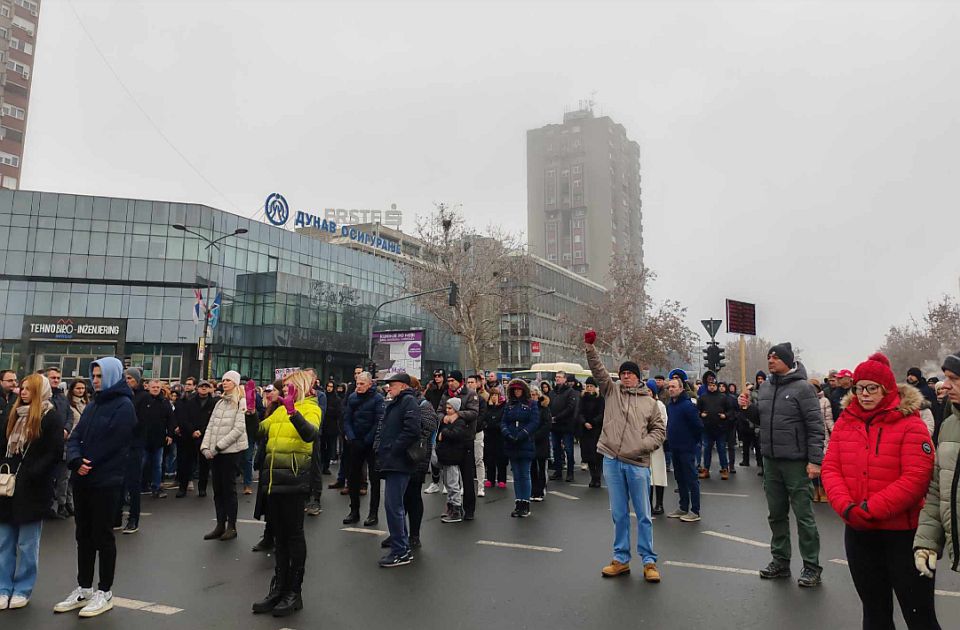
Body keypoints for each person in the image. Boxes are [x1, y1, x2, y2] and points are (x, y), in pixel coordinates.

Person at [821, 353, 939, 629]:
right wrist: (847, 508)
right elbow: (830, 468)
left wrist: (870, 509)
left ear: (887, 389)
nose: (863, 394)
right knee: (874, 613)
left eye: (871, 388)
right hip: (859, 534)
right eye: (859, 388)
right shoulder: (845, 423)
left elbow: (916, 478)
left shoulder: (911, 424)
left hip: (904, 536)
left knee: (919, 616)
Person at [55, 357, 136, 618]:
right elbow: (77, 436)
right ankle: (84, 587)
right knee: (83, 535)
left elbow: (116, 442)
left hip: (106, 480)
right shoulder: (92, 405)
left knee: (103, 536)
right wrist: (76, 459)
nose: (95, 380)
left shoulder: (124, 405)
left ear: (113, 375)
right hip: (84, 479)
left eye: (100, 376)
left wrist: (89, 462)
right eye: (94, 376)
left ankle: (105, 591)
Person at [584, 330, 665, 583]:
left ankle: (649, 561)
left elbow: (659, 431)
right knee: (619, 514)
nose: (626, 376)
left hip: (638, 464)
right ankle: (620, 559)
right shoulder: (611, 391)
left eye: (630, 373)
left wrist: (643, 445)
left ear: (639, 378)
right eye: (623, 373)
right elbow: (598, 370)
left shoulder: (649, 403)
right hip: (612, 460)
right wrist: (590, 348)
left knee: (643, 514)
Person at [251, 371, 320, 617]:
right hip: (272, 482)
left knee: (293, 536)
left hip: (293, 480)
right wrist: (251, 411)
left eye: (289, 387)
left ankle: (294, 591)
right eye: (284, 388)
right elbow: (258, 432)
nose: (284, 391)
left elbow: (310, 434)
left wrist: (293, 412)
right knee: (279, 538)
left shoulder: (311, 408)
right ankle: (278, 588)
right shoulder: (278, 409)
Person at [757, 342, 825, 588]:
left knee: (804, 517)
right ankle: (780, 561)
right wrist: (746, 409)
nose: (771, 361)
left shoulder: (803, 388)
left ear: (787, 360)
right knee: (776, 514)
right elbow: (762, 419)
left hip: (796, 463)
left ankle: (811, 566)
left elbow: (816, 428)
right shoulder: (765, 387)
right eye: (769, 357)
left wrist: (815, 461)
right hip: (771, 461)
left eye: (775, 357)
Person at [0, 374, 64, 609]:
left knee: (28, 544)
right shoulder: (12, 414)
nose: (23, 392)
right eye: (22, 388)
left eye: (29, 389)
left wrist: (32, 473)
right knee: (4, 542)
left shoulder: (50, 417)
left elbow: (55, 452)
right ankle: (3, 587)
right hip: (7, 487)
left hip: (33, 489)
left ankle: (23, 589)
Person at [915, 351, 960, 591]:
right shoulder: (949, 426)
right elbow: (937, 490)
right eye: (946, 378)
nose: (946, 385)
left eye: (955, 378)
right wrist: (928, 541)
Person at [381, 376, 438, 552]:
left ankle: (414, 535)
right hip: (402, 457)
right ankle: (399, 533)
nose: (390, 388)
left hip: (415, 457)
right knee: (400, 499)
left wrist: (404, 439)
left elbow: (429, 427)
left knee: (413, 497)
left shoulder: (422, 404)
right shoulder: (399, 403)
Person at [375, 372, 422, 566]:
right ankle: (400, 545)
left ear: (402, 386)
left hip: (399, 462)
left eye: (392, 385)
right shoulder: (397, 402)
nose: (388, 388)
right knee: (395, 506)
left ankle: (400, 551)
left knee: (394, 507)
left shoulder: (408, 401)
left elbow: (412, 430)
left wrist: (394, 449)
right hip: (392, 461)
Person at [200, 370, 248, 542]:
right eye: (223, 380)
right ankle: (220, 524)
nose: (225, 383)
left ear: (235, 383)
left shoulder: (241, 402)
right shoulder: (219, 403)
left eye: (228, 380)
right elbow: (211, 426)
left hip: (230, 453)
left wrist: (219, 447)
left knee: (229, 490)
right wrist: (205, 447)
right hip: (215, 453)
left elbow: (238, 429)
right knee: (217, 490)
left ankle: (231, 526)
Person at [342, 372, 385, 526]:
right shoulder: (353, 398)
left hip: (371, 444)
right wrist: (351, 437)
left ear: (369, 384)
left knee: (374, 479)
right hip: (355, 442)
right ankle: (354, 511)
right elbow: (347, 418)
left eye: (362, 384)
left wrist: (367, 440)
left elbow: (379, 421)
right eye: (357, 383)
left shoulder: (378, 399)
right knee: (353, 477)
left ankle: (373, 513)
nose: (358, 387)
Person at [438, 371, 479, 520]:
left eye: (452, 380)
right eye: (448, 380)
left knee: (467, 477)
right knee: (450, 478)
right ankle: (452, 506)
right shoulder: (446, 394)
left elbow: (474, 413)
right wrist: (445, 418)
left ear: (460, 381)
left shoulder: (470, 394)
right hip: (450, 440)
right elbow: (439, 411)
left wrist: (458, 415)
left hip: (465, 439)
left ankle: (469, 509)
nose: (450, 383)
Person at [665, 375, 703, 522]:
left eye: (674, 386)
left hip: (687, 448)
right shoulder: (671, 405)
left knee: (691, 479)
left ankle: (695, 510)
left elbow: (698, 426)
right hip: (675, 448)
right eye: (669, 387)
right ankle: (683, 507)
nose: (671, 389)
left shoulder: (688, 405)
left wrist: (693, 442)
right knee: (679, 479)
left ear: (681, 388)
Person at [501, 379, 539, 517]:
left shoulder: (531, 404)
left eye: (519, 389)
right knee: (516, 475)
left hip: (525, 442)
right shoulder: (509, 405)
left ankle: (525, 503)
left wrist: (523, 434)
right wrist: (507, 433)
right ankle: (518, 502)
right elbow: (503, 421)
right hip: (512, 442)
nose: (517, 392)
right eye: (514, 390)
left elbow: (534, 422)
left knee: (524, 474)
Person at [174, 379, 215, 498]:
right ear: (197, 388)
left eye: (206, 386)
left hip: (205, 436)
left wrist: (201, 431)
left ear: (209, 389)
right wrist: (192, 431)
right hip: (189, 436)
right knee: (186, 463)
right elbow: (184, 418)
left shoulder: (213, 403)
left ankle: (202, 488)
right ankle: (183, 487)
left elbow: (212, 420)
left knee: (204, 464)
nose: (204, 388)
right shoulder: (189, 401)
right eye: (202, 386)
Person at [139, 379, 174, 506]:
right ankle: (137, 486)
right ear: (148, 387)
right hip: (144, 438)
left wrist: (170, 434)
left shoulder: (165, 402)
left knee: (157, 465)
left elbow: (171, 419)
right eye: (153, 387)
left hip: (159, 439)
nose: (155, 389)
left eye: (157, 387)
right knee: (141, 464)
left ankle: (156, 487)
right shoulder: (143, 401)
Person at [436, 398, 469, 524]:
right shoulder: (446, 421)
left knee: (453, 483)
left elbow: (456, 435)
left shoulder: (459, 422)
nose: (447, 410)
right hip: (446, 456)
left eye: (450, 408)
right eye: (447, 408)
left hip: (453, 456)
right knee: (448, 482)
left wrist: (444, 433)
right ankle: (450, 506)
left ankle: (456, 509)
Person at [697, 371, 732, 480]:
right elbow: (696, 410)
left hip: (720, 428)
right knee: (707, 449)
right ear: (707, 386)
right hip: (707, 428)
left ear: (716, 386)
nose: (712, 387)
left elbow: (731, 410)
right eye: (710, 385)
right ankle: (706, 469)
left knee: (721, 449)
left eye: (713, 385)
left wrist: (725, 415)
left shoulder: (723, 397)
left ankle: (724, 469)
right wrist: (700, 414)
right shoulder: (702, 397)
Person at [548, 371, 578, 482]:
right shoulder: (552, 392)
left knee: (568, 449)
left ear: (565, 379)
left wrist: (557, 417)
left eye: (560, 377)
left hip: (566, 425)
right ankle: (558, 472)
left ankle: (570, 473)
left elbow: (570, 408)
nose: (557, 379)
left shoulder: (570, 392)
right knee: (556, 449)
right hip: (554, 426)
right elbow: (548, 406)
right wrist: (550, 417)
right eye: (556, 377)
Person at [808, 379, 834, 504]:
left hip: (823, 435)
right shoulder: (806, 401)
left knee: (822, 464)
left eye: (815, 387)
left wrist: (834, 432)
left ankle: (823, 492)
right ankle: (815, 491)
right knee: (812, 464)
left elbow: (828, 418)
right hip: (809, 436)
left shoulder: (825, 401)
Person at [578, 377, 605, 488]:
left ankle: (597, 477)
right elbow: (579, 412)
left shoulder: (600, 399)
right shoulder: (583, 398)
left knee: (597, 455)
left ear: (595, 388)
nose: (589, 388)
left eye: (591, 386)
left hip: (596, 429)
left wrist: (593, 422)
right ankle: (592, 477)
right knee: (587, 454)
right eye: (588, 386)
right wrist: (584, 422)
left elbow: (602, 413)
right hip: (585, 430)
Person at [646, 380, 668, 515]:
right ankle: (647, 503)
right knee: (646, 476)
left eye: (650, 390)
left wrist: (655, 438)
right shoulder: (640, 404)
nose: (647, 393)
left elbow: (663, 423)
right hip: (643, 444)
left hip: (656, 445)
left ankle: (659, 503)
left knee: (658, 474)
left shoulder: (659, 405)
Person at [529, 387, 553, 502]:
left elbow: (547, 425)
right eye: (531, 395)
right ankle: (533, 490)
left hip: (542, 442)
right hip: (531, 442)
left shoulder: (544, 408)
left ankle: (541, 490)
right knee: (532, 468)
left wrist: (536, 435)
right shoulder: (528, 408)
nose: (533, 396)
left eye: (535, 394)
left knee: (541, 468)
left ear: (538, 396)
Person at [466, 374, 486, 498]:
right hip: (465, 433)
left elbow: (482, 416)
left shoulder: (481, 400)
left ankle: (481, 487)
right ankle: (464, 487)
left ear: (478, 384)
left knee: (478, 460)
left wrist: (473, 427)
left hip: (477, 432)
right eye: (468, 382)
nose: (470, 384)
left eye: (472, 382)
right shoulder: (463, 398)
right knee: (465, 461)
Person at [482, 390, 507, 489]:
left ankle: (502, 479)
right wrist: (486, 425)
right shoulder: (487, 407)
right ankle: (490, 479)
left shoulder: (503, 407)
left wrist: (497, 426)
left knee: (501, 459)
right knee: (489, 459)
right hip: (489, 436)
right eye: (492, 395)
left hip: (500, 437)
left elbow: (504, 420)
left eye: (496, 395)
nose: (494, 397)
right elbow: (484, 419)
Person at [319, 381, 341, 476]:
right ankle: (321, 465)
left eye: (331, 387)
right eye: (328, 386)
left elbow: (338, 413)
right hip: (323, 425)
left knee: (329, 447)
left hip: (331, 426)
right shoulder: (323, 397)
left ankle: (326, 466)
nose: (329, 388)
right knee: (321, 447)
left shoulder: (336, 399)